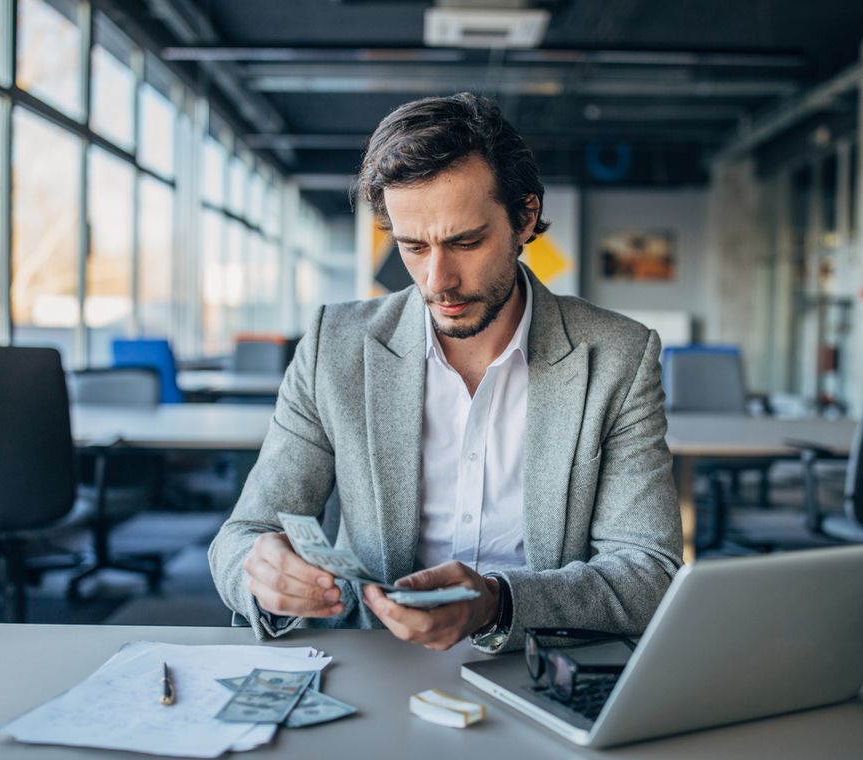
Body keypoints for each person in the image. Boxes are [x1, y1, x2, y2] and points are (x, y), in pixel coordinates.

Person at [209, 93, 681, 653]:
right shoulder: (334, 346)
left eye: (466, 242)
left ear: (525, 217)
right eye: (413, 246)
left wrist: (499, 603)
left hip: (543, 663)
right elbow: (242, 537)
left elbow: (649, 571)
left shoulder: (617, 356)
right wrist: (261, 578)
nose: (438, 280)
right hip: (374, 663)